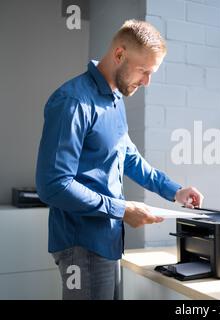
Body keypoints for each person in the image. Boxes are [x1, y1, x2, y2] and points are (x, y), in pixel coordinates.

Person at [35, 19, 204, 300]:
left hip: (108, 242)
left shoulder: (115, 101)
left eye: (152, 73)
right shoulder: (73, 101)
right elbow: (53, 185)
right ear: (119, 55)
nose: (147, 82)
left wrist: (175, 191)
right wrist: (122, 209)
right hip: (81, 246)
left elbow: (130, 158)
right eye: (144, 71)